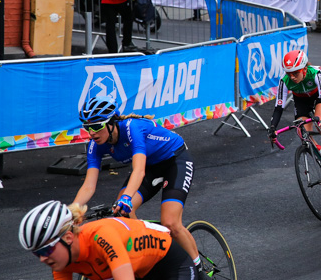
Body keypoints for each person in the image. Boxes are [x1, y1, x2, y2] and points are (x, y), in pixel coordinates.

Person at [72, 97, 202, 272]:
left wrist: (127, 197)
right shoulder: (95, 146)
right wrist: (72, 210)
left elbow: (138, 170)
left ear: (111, 124)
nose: (92, 133)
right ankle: (148, 254)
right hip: (151, 167)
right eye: (87, 128)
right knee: (123, 213)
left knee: (170, 223)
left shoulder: (132, 128)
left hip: (175, 160)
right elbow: (89, 185)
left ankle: (199, 270)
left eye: (96, 127)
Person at [19, 200, 195, 280]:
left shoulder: (101, 236)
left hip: (168, 262)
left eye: (46, 250)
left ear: (68, 237)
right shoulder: (61, 262)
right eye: (37, 253)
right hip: (140, 271)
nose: (42, 258)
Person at [267, 50, 321, 178]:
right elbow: (278, 107)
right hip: (301, 101)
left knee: (320, 126)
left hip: (319, 98)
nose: (292, 77)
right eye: (289, 73)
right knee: (301, 130)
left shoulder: (316, 73)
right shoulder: (285, 81)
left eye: (295, 73)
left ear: (304, 69)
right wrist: (272, 127)